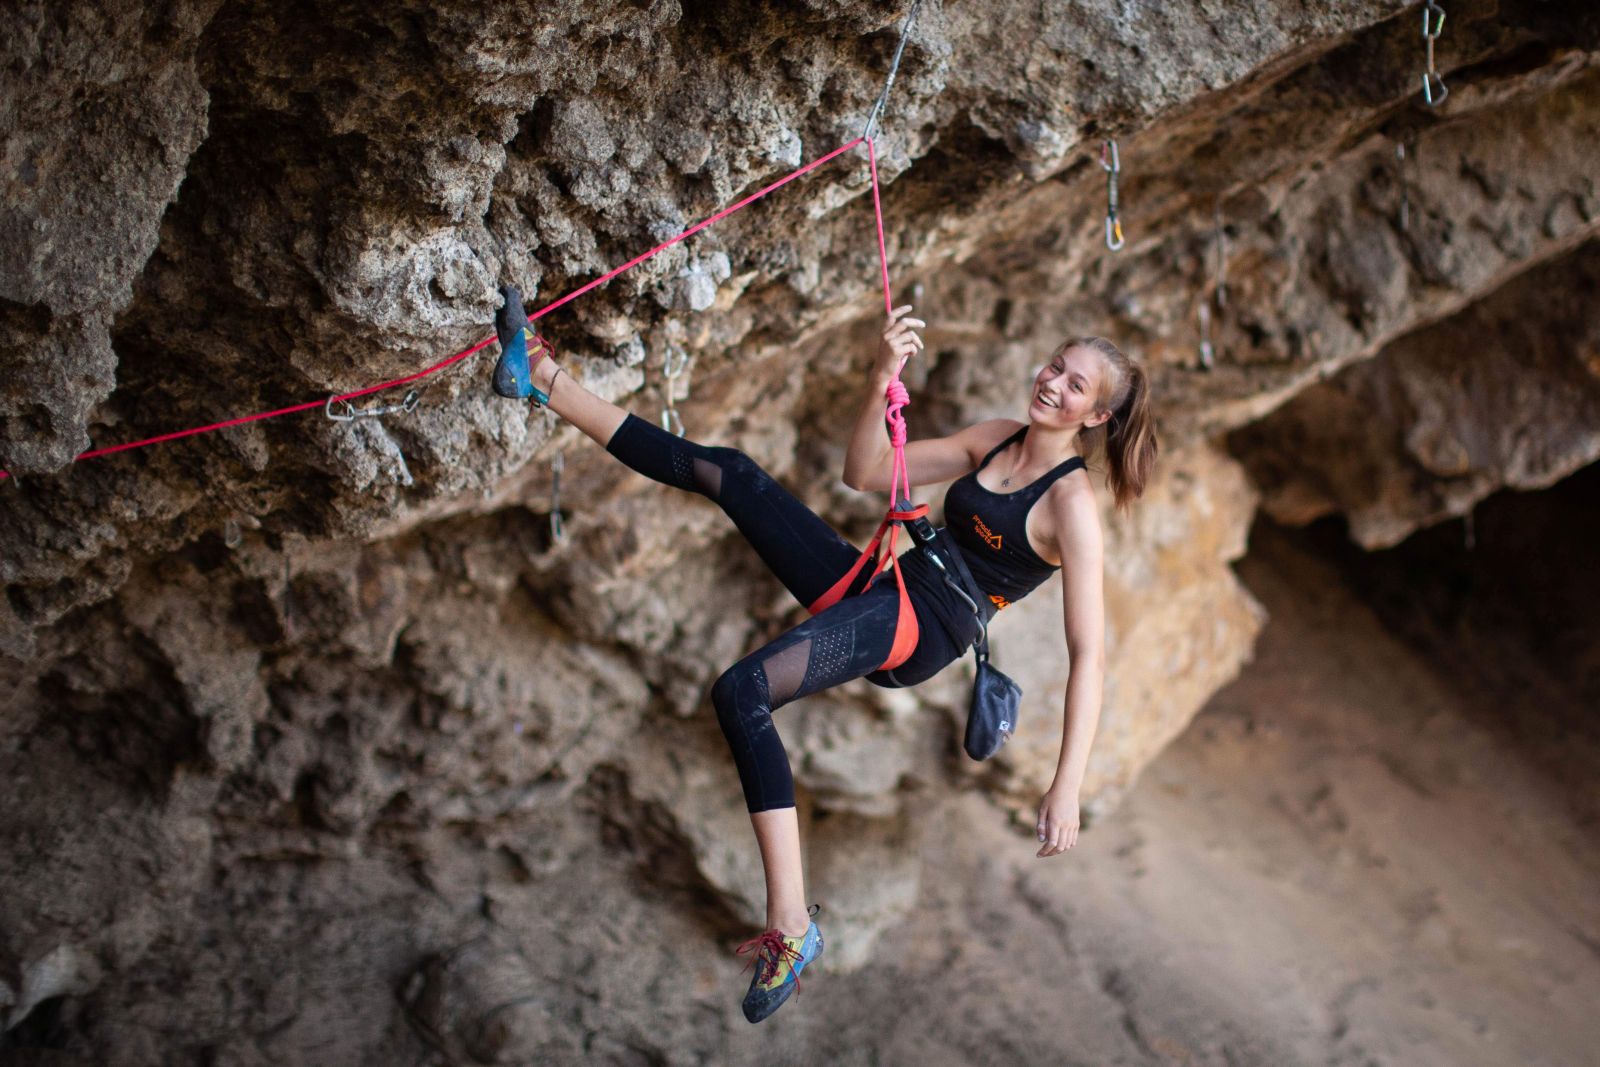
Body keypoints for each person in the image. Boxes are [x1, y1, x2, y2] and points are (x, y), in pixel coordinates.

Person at [491, 285, 1158, 1023]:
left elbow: (1088, 653)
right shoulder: (994, 436)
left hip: (920, 630)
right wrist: (882, 379)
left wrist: (1067, 785)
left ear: (1095, 417)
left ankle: (792, 928)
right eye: (1056, 365)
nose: (1053, 384)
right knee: (730, 472)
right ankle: (542, 379)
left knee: (741, 690)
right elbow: (865, 472)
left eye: (1075, 386)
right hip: (883, 587)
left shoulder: (1071, 508)